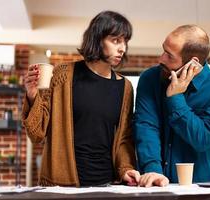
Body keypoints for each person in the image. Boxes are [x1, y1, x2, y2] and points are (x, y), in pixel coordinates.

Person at [22, 10, 140, 187]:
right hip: (61, 184)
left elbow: (124, 139)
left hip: (108, 184)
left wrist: (125, 169)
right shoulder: (62, 75)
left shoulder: (125, 87)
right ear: (97, 39)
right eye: (115, 40)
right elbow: (37, 134)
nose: (122, 48)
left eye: (125, 41)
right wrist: (32, 96)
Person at [134, 25, 210, 187]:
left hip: (200, 187)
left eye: (169, 55)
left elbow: (202, 139)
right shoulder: (149, 79)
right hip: (152, 183)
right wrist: (153, 170)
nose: (161, 59)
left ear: (193, 62)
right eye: (163, 50)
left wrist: (175, 97)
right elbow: (146, 126)